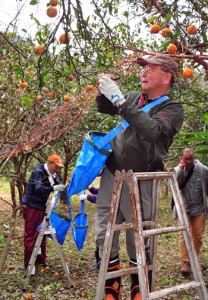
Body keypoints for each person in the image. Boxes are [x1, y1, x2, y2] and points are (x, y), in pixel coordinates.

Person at [95, 54, 184, 300]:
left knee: (139, 231)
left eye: (151, 68)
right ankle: (111, 284)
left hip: (142, 176)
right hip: (113, 171)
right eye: (143, 68)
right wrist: (103, 90)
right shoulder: (135, 97)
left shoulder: (172, 108)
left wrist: (121, 101)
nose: (143, 72)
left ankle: (139, 284)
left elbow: (151, 130)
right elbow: (104, 107)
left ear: (167, 76)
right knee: (105, 228)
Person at [22, 154, 66, 274]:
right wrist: (53, 188)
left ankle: (40, 260)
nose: (58, 170)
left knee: (42, 233)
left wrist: (61, 187)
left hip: (42, 207)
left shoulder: (52, 174)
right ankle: (29, 265)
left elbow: (59, 183)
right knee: (31, 235)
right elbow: (38, 188)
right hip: (32, 206)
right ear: (50, 164)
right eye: (56, 167)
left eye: (59, 168)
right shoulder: (38, 172)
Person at [174, 148, 208, 275]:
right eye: (185, 159)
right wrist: (180, 170)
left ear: (194, 157)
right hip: (183, 208)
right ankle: (186, 262)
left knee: (197, 236)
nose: (188, 161)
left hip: (199, 208)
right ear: (181, 158)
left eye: (190, 158)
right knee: (183, 235)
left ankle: (194, 259)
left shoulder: (203, 170)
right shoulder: (177, 170)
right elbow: (174, 185)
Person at [79, 186, 100, 270]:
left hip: (109, 215)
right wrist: (90, 188)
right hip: (102, 215)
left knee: (102, 239)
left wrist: (87, 197)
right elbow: (102, 191)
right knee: (99, 239)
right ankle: (99, 260)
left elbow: (105, 197)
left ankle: (103, 262)